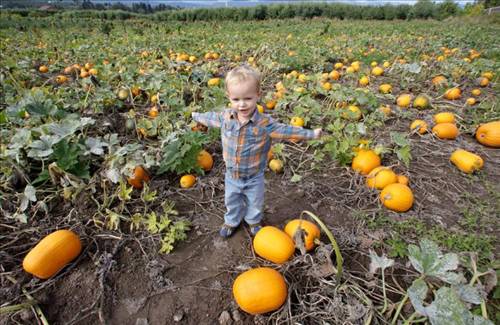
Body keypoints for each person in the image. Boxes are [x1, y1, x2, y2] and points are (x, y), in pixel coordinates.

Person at [192, 65, 322, 238]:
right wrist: (195, 115)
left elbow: (287, 131)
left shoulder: (264, 124)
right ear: (229, 97)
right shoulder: (225, 118)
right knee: (232, 200)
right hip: (232, 174)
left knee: (255, 201)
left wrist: (311, 134)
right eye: (236, 99)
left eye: (248, 98)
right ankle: (232, 221)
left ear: (258, 96)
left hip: (254, 176)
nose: (242, 104)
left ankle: (253, 221)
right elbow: (209, 118)